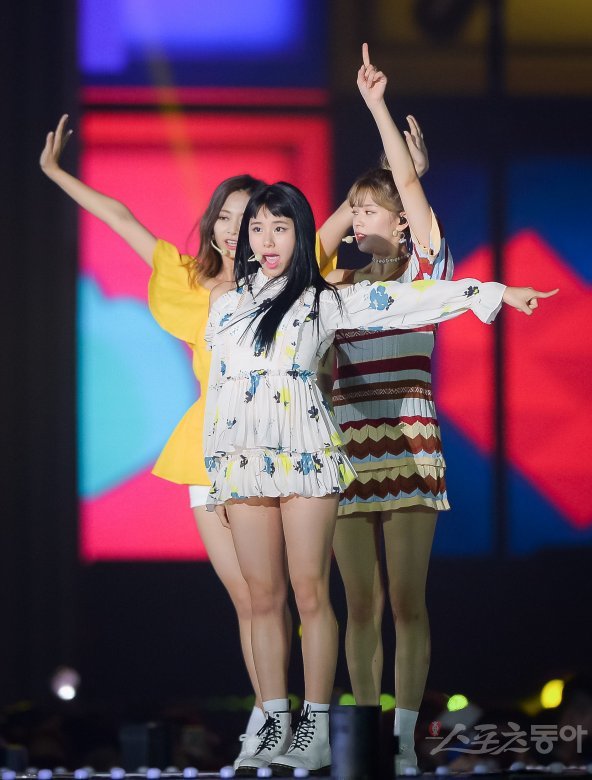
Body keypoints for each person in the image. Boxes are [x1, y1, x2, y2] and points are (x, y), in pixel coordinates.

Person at [203, 168, 556, 772]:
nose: (264, 238)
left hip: (308, 455)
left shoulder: (324, 299)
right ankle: (273, 722)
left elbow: (412, 297)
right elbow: (220, 391)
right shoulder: (226, 306)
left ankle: (317, 729)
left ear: (302, 234)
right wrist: (216, 470)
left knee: (311, 591)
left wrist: (494, 292)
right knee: (263, 596)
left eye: (280, 227)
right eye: (256, 228)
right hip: (243, 463)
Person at [38, 118, 337, 768]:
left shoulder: (285, 282)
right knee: (250, 597)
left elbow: (330, 229)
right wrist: (57, 173)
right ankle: (270, 715)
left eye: (248, 218)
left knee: (285, 592)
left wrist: (392, 177)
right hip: (205, 447)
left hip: (272, 446)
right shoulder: (188, 279)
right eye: (225, 216)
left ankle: (292, 723)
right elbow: (121, 218)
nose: (234, 229)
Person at [316, 46, 454, 774]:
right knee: (359, 606)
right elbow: (309, 249)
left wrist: (375, 105)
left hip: (407, 446)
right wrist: (354, 209)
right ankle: (367, 736)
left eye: (370, 210)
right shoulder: (332, 289)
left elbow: (404, 185)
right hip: (346, 453)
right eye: (354, 210)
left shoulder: (427, 273)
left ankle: (402, 739)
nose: (357, 219)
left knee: (407, 603)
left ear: (402, 224)